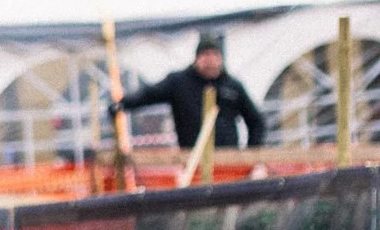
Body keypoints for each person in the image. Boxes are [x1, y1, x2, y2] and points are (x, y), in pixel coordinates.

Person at [114, 33, 266, 150]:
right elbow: (149, 95)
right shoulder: (179, 82)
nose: (211, 61)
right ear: (197, 58)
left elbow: (256, 122)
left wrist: (249, 156)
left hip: (227, 160)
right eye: (206, 55)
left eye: (215, 56)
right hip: (191, 159)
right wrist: (122, 104)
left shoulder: (232, 86)